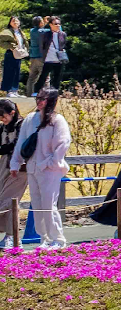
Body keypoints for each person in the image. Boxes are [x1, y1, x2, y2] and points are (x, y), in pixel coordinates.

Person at [12, 88, 71, 249]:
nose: (39, 102)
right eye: (38, 98)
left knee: (48, 205)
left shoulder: (57, 120)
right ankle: (44, 238)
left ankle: (58, 239)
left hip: (50, 170)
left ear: (51, 101)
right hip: (32, 168)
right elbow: (21, 142)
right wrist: (15, 163)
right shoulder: (30, 119)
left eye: (43, 99)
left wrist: (50, 163)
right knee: (37, 205)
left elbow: (63, 144)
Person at [0, 100, 25, 246]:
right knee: (3, 199)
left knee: (9, 201)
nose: (2, 120)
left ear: (12, 113)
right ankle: (9, 236)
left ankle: (12, 237)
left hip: (19, 168)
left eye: (3, 116)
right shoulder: (3, 127)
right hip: (4, 166)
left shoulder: (22, 125)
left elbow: (17, 145)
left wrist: (2, 149)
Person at [38, 17, 68, 92]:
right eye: (56, 24)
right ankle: (37, 91)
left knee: (57, 77)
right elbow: (42, 45)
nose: (58, 25)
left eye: (59, 24)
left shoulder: (63, 34)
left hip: (59, 58)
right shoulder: (46, 34)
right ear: (51, 25)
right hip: (48, 58)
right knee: (43, 76)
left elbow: (64, 44)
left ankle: (54, 91)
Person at [0, 17, 24, 96]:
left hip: (19, 53)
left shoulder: (20, 32)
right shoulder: (7, 32)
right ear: (10, 23)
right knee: (9, 72)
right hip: (10, 53)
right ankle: (9, 90)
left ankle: (15, 90)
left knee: (17, 72)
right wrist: (11, 47)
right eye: (13, 21)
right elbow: (1, 42)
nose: (15, 22)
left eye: (17, 21)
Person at [24, 17, 46, 97]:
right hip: (41, 57)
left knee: (32, 77)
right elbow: (55, 30)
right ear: (40, 23)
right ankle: (45, 95)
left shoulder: (32, 31)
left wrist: (44, 23)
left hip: (33, 56)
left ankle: (29, 94)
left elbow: (40, 30)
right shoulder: (42, 31)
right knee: (45, 77)